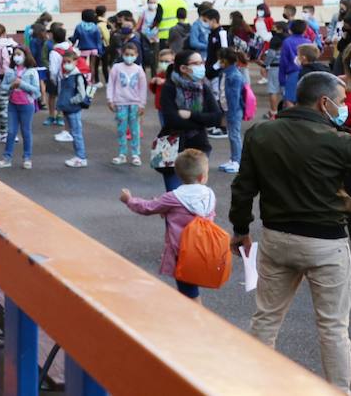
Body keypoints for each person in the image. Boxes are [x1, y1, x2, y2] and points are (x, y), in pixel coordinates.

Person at [230, 71, 351, 391]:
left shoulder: (260, 133)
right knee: (333, 327)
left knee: (266, 318)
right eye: (340, 102)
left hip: (276, 239)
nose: (343, 107)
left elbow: (243, 188)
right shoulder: (341, 143)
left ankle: (256, 386)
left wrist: (241, 229)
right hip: (327, 243)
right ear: (323, 102)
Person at [120, 149, 217, 301]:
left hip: (183, 251)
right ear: (202, 177)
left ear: (178, 175)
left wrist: (129, 200)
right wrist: (169, 212)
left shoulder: (173, 197)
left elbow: (148, 207)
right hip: (204, 248)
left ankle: (197, 320)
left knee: (189, 294)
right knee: (190, 290)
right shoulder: (209, 194)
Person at [155, 49, 221, 191]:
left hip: (199, 147)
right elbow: (173, 120)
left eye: (201, 63)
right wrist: (202, 121)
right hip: (173, 149)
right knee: (175, 197)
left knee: (195, 196)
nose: (201, 66)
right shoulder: (170, 87)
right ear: (183, 68)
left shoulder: (203, 87)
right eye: (196, 63)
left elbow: (216, 117)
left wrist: (191, 115)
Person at [0, 45, 41, 170]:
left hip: (26, 105)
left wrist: (21, 84)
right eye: (15, 54)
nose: (16, 57)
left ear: (26, 55)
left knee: (26, 132)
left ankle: (27, 157)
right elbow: (3, 87)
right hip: (13, 104)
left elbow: (36, 91)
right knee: (11, 131)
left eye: (19, 54)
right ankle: (7, 158)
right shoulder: (10, 71)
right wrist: (11, 86)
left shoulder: (32, 71)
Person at [107, 41, 147, 166]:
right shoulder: (116, 68)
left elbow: (143, 88)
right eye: (126, 54)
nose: (129, 56)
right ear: (122, 53)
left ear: (136, 55)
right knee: (121, 129)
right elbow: (111, 84)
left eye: (131, 54)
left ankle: (135, 154)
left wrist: (142, 104)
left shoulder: (139, 70)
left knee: (135, 129)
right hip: (120, 103)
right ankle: (122, 154)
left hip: (134, 103)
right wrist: (110, 99)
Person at [213, 48, 247, 174]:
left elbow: (234, 97)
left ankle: (237, 161)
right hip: (229, 109)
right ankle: (234, 159)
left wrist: (231, 113)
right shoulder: (227, 73)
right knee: (232, 135)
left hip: (233, 110)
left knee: (234, 135)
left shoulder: (233, 76)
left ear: (225, 61)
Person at [58, 49, 89, 167]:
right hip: (68, 108)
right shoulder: (67, 75)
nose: (66, 64)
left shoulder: (77, 76)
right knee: (74, 133)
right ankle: (78, 155)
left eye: (69, 61)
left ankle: (81, 157)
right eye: (64, 62)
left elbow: (82, 94)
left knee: (76, 133)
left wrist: (71, 101)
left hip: (73, 109)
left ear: (75, 61)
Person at [46, 24, 71, 131]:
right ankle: (60, 116)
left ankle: (52, 115)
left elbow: (53, 69)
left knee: (52, 96)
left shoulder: (54, 52)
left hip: (56, 78)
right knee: (63, 97)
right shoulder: (70, 48)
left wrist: (53, 79)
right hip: (68, 77)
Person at [71, 9, 104, 85]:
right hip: (94, 49)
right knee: (92, 66)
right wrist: (100, 50)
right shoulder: (95, 27)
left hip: (83, 49)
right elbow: (98, 40)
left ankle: (83, 81)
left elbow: (75, 38)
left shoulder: (79, 26)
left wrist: (71, 43)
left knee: (82, 65)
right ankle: (91, 82)